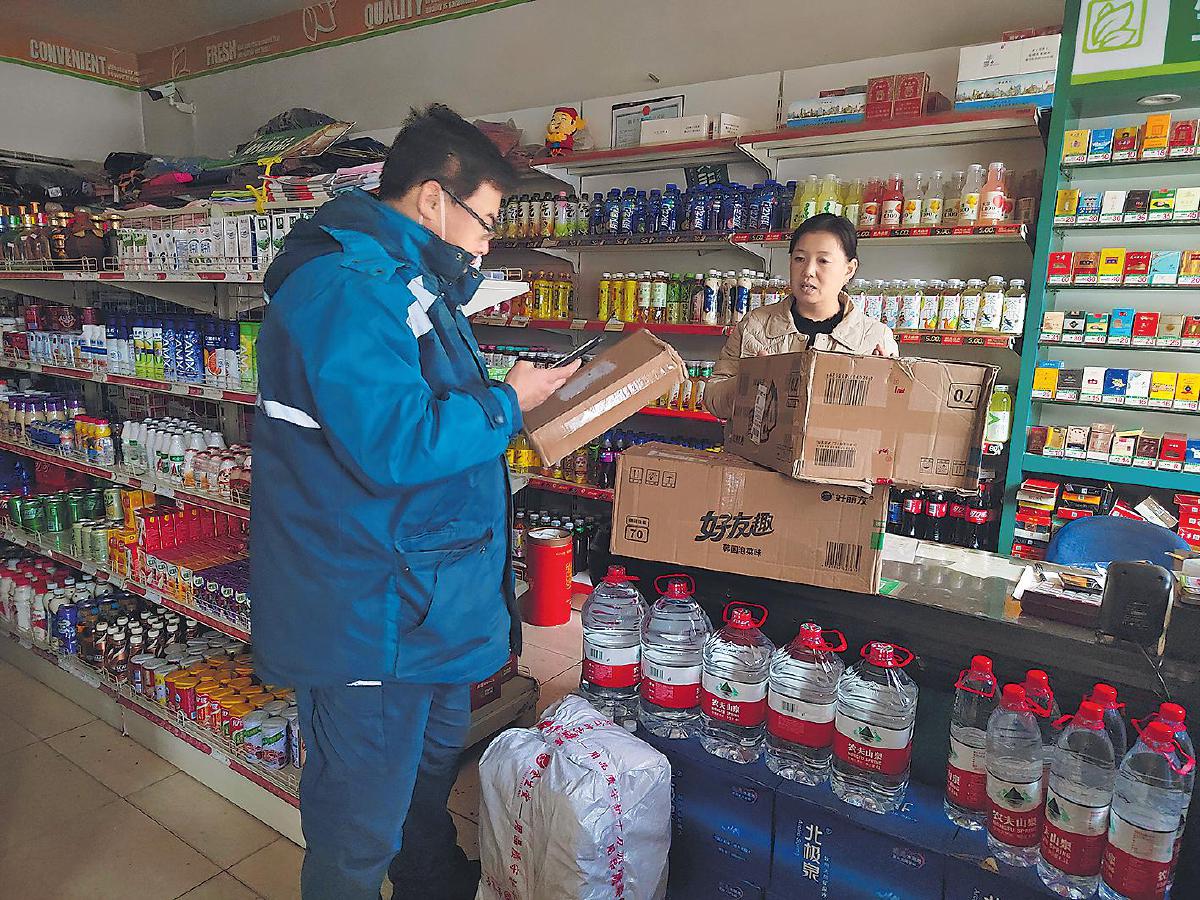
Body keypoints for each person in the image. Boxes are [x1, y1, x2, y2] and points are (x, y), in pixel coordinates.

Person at [250, 104, 580, 900]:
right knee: (358, 826)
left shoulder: (413, 284)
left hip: (420, 604)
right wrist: (508, 402)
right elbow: (398, 444)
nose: (486, 242)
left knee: (421, 788)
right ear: (434, 199)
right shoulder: (348, 289)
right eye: (485, 221)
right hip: (370, 616)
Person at [704, 213, 898, 419]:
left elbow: (893, 418)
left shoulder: (875, 337)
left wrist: (884, 389)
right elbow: (713, 399)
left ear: (849, 270)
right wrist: (749, 381)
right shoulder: (755, 325)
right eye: (799, 259)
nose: (808, 271)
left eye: (823, 261)